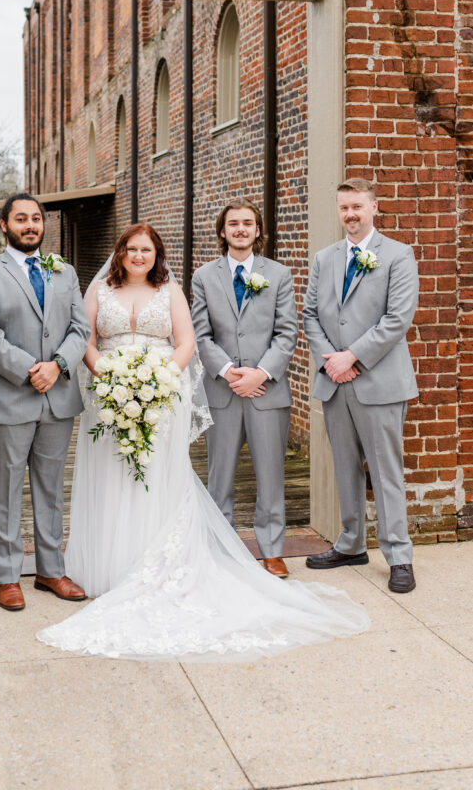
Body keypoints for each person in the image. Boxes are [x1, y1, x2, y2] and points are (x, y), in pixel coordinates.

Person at [37, 223, 369, 661]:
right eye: (132, 249)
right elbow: (87, 341)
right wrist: (111, 377)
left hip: (160, 395)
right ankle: (111, 566)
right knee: (111, 474)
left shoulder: (170, 291)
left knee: (157, 477)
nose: (139, 256)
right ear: (119, 253)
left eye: (147, 250)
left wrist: (160, 380)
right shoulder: (97, 291)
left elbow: (187, 340)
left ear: (157, 255)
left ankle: (159, 565)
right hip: (110, 396)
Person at [0, 193, 90, 611]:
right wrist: (30, 369)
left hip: (58, 397)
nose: (30, 225)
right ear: (4, 225)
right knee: (4, 488)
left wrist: (56, 365)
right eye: (21, 219)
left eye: (36, 218)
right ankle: (6, 575)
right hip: (8, 397)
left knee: (51, 489)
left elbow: (79, 328)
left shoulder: (65, 271)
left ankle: (50, 570)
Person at [303, 178, 419, 593]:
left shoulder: (399, 255)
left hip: (380, 382)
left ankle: (399, 555)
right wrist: (331, 360)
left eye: (357, 206)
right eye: (344, 208)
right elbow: (310, 315)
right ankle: (351, 543)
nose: (350, 214)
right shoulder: (325, 258)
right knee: (345, 468)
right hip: (336, 381)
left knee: (386, 471)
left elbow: (397, 318)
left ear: (374, 207)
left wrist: (352, 356)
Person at [191, 200, 297, 578]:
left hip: (267, 392)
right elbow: (200, 335)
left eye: (247, 223)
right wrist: (230, 372)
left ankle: (272, 550)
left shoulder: (279, 275)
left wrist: (260, 374)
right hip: (222, 391)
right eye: (233, 223)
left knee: (271, 474)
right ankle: (222, 547)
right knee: (220, 474)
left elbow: (287, 334)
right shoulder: (204, 276)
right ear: (222, 231)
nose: (240, 229)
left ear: (257, 231)